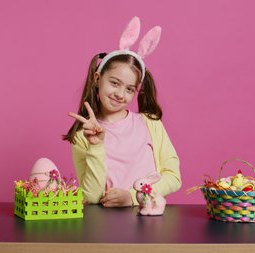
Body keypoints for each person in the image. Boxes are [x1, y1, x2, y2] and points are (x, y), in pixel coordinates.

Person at [63, 17, 181, 207]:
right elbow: (91, 197)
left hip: (149, 220)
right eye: (114, 83)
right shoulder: (82, 136)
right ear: (97, 79)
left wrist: (133, 197)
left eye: (129, 89)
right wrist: (95, 145)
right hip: (103, 228)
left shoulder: (150, 123)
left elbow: (173, 177)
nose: (120, 94)